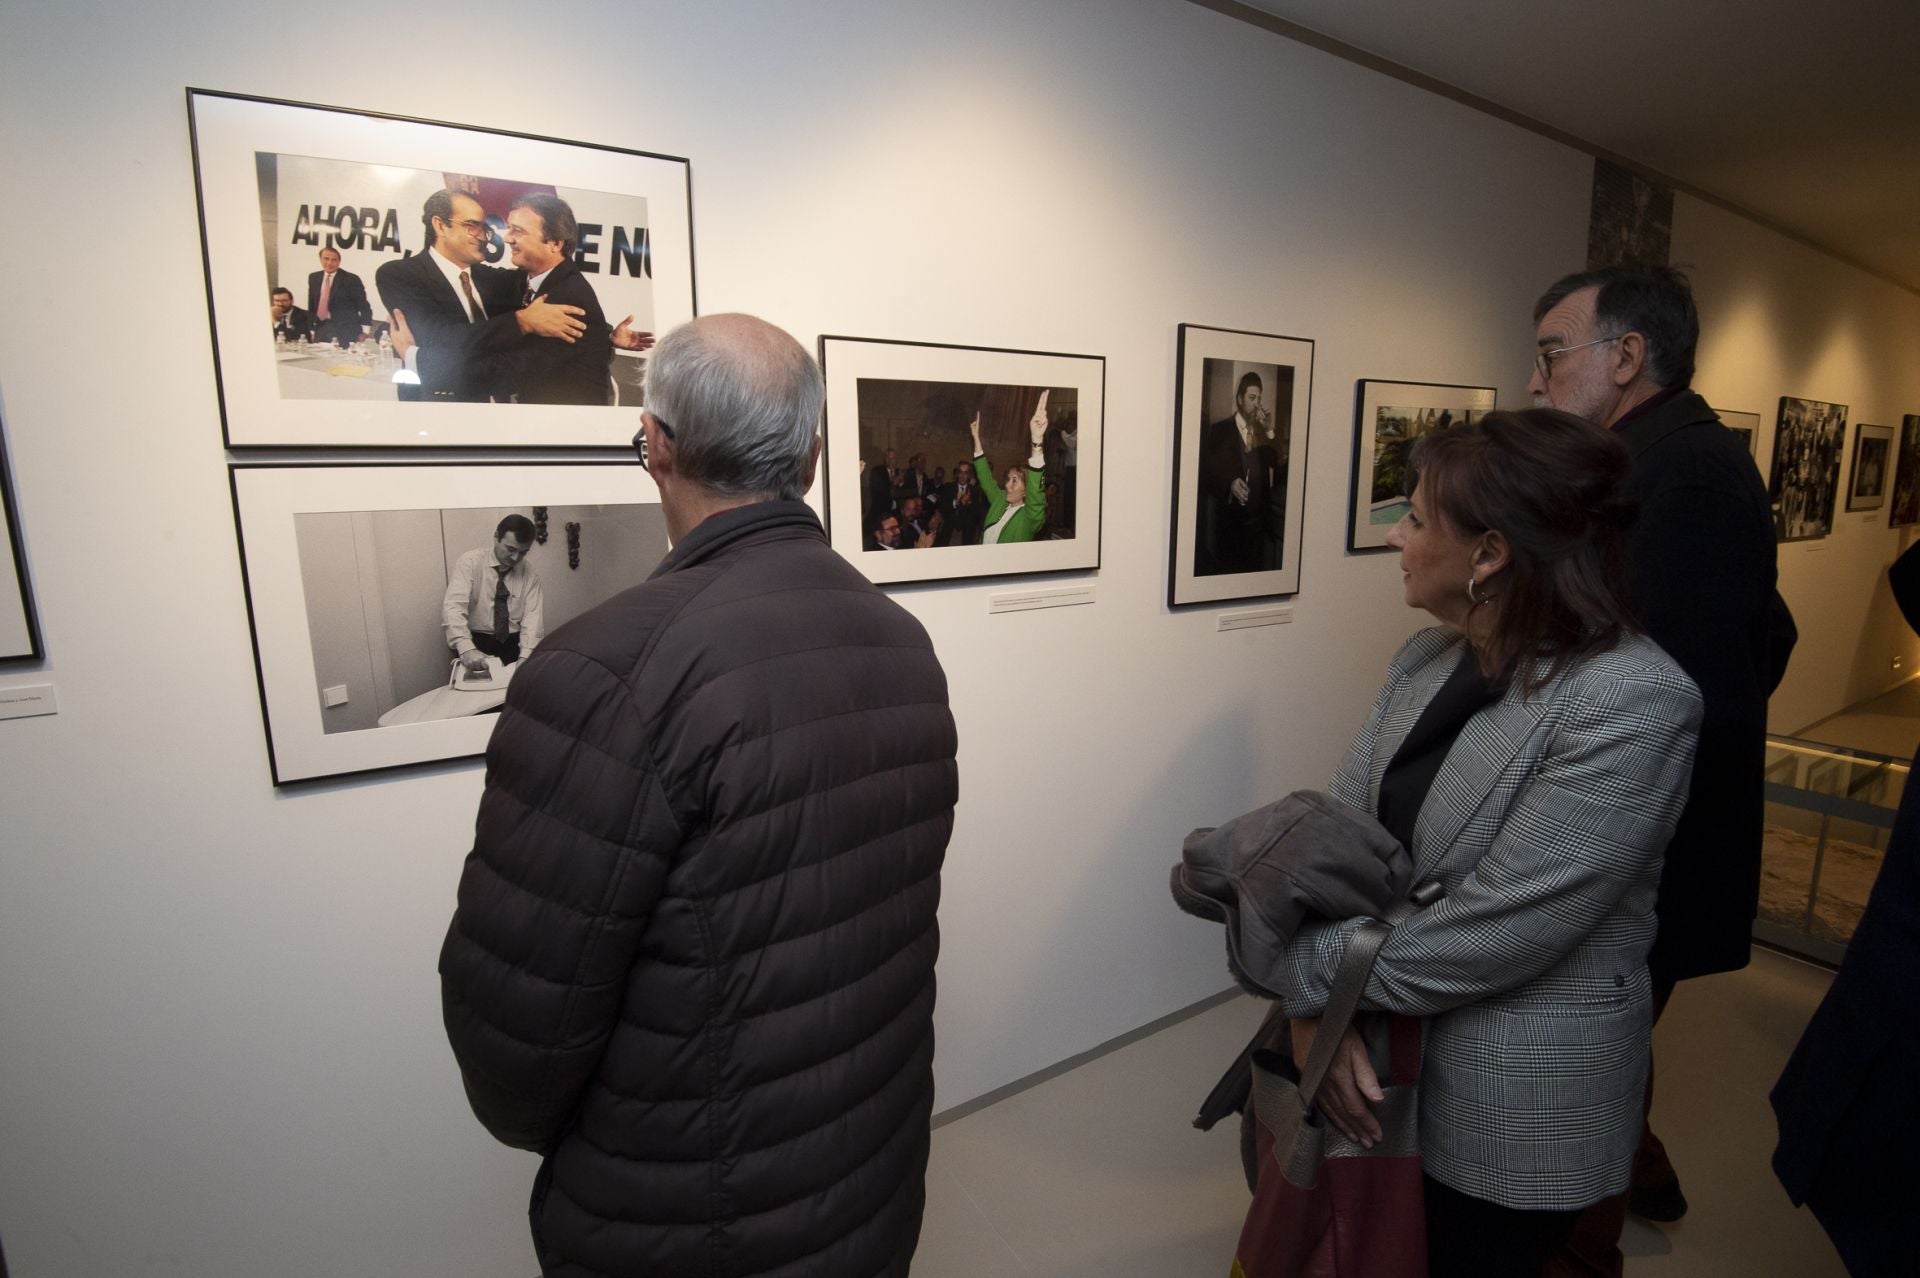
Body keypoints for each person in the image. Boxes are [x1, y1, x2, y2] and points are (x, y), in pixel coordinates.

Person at [438, 313, 957, 1277]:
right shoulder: (901, 642)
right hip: (869, 1177)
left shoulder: (604, 672)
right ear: (811, 458)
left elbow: (514, 1043)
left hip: (692, 1217)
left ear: (656, 445)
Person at [1265, 410, 1702, 1278]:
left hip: (1510, 1101)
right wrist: (1317, 1010)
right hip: (1384, 1051)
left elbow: (1498, 929)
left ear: (1490, 554)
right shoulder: (1425, 659)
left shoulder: (1634, 698)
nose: (1395, 536)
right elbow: (1332, 841)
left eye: (1417, 518)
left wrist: (1311, 984)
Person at [1527, 264, 1796, 1276]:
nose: (1538, 379)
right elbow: (1768, 635)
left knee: (1591, 1051)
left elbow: (1674, 690)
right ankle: (1629, 1167)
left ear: (1627, 356)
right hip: (1639, 833)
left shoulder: (1682, 476)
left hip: (1645, 842)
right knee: (1606, 1031)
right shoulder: (1658, 459)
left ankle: (1581, 1244)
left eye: (1553, 354)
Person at [373, 189, 588, 402]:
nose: (483, 236)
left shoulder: (495, 279)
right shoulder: (399, 274)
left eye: (483, 227)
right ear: (440, 225)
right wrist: (521, 321)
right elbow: (437, 339)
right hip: (437, 406)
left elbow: (555, 283)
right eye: (471, 225)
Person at [1198, 371, 1281, 574]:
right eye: (1252, 398)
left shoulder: (1262, 432)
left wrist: (1269, 430)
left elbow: (1277, 462)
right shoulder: (1220, 430)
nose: (1257, 404)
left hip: (1258, 526)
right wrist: (1230, 484)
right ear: (1240, 399)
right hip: (1230, 524)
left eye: (1259, 398)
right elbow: (1207, 474)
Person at [441, 514, 543, 673]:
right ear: (496, 537)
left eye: (523, 552)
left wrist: (526, 657)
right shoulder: (470, 562)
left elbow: (533, 618)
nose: (515, 557)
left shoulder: (529, 573)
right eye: (511, 549)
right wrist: (466, 648)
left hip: (514, 645)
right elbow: (453, 608)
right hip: (475, 643)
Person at [969, 391, 1049, 544]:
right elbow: (985, 478)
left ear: (1026, 490)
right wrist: (976, 439)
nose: (1007, 485)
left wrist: (1037, 439)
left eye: (1015, 481)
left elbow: (1036, 497)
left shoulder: (1030, 518)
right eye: (1008, 479)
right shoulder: (1000, 499)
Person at [305, 246, 372, 348]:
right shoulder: (314, 277)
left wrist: (365, 331)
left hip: (346, 330)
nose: (329, 263)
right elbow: (312, 304)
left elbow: (364, 305)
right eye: (326, 259)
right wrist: (311, 328)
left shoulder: (351, 279)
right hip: (321, 328)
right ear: (320, 259)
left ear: (339, 262)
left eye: (334, 260)